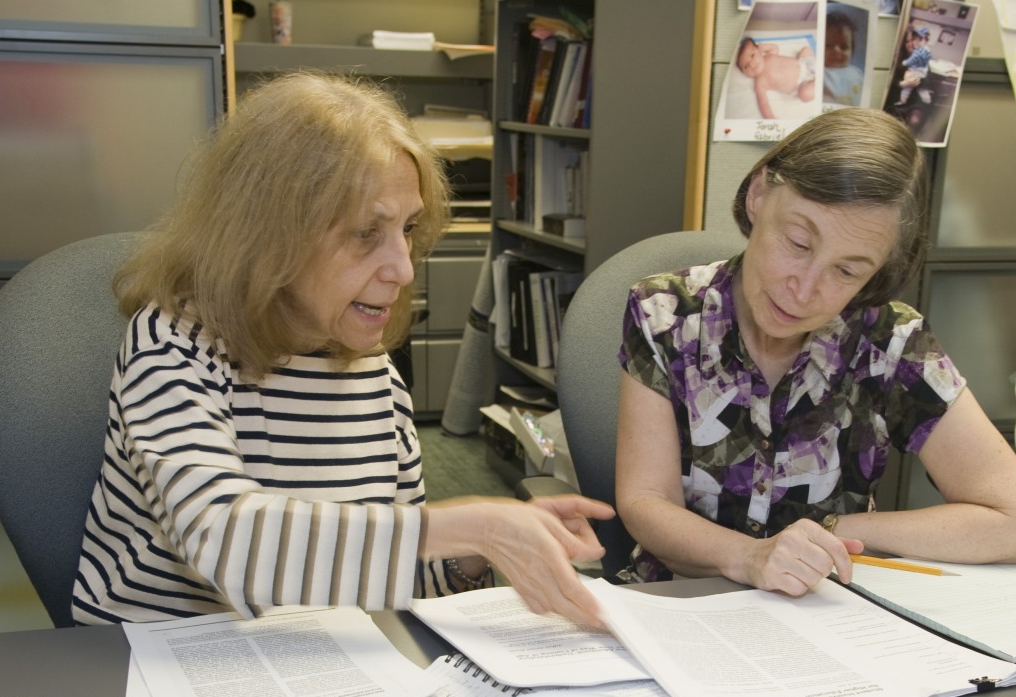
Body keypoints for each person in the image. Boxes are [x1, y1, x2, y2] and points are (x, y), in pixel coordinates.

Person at [73, 72, 612, 627]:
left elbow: (400, 574)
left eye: (408, 228)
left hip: (315, 658)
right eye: (365, 233)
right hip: (151, 666)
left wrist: (476, 552)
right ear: (266, 236)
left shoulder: (373, 373)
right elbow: (222, 539)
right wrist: (471, 523)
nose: (403, 268)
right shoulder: (172, 343)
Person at [614, 109, 1016, 597]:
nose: (803, 291)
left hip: (825, 611)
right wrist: (752, 556)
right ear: (759, 194)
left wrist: (832, 531)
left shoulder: (890, 341)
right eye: (798, 242)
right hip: (677, 602)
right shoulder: (665, 314)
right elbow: (646, 501)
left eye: (847, 272)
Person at [735, 36, 816, 120]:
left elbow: (774, 47)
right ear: (744, 73)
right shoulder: (759, 82)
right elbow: (763, 103)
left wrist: (763, 47)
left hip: (803, 63)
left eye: (752, 55)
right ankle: (818, 82)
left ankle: (817, 72)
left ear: (758, 50)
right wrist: (770, 118)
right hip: (801, 83)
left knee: (806, 50)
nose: (752, 64)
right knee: (805, 94)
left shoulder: (768, 56)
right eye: (746, 66)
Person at [822, 11, 865, 107]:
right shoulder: (820, 72)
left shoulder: (857, 73)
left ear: (852, 51)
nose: (836, 51)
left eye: (844, 47)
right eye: (828, 45)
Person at [895, 24, 933, 106]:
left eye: (914, 39)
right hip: (899, 98)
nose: (912, 43)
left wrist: (918, 80)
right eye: (907, 41)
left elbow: (928, 80)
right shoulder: (900, 60)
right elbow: (893, 81)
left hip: (916, 101)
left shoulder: (922, 57)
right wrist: (903, 83)